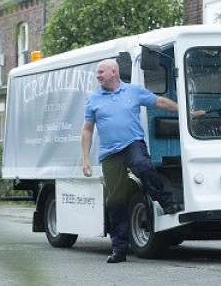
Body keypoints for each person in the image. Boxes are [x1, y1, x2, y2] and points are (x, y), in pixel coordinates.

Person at [81, 59, 205, 264]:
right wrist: (86, 159)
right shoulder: (94, 99)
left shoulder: (133, 91)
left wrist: (186, 113)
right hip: (110, 153)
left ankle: (167, 202)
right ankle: (119, 250)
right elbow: (87, 129)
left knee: (144, 166)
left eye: (101, 72)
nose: (98, 76)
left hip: (133, 144)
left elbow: (160, 102)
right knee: (115, 201)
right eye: (97, 73)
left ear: (114, 72)